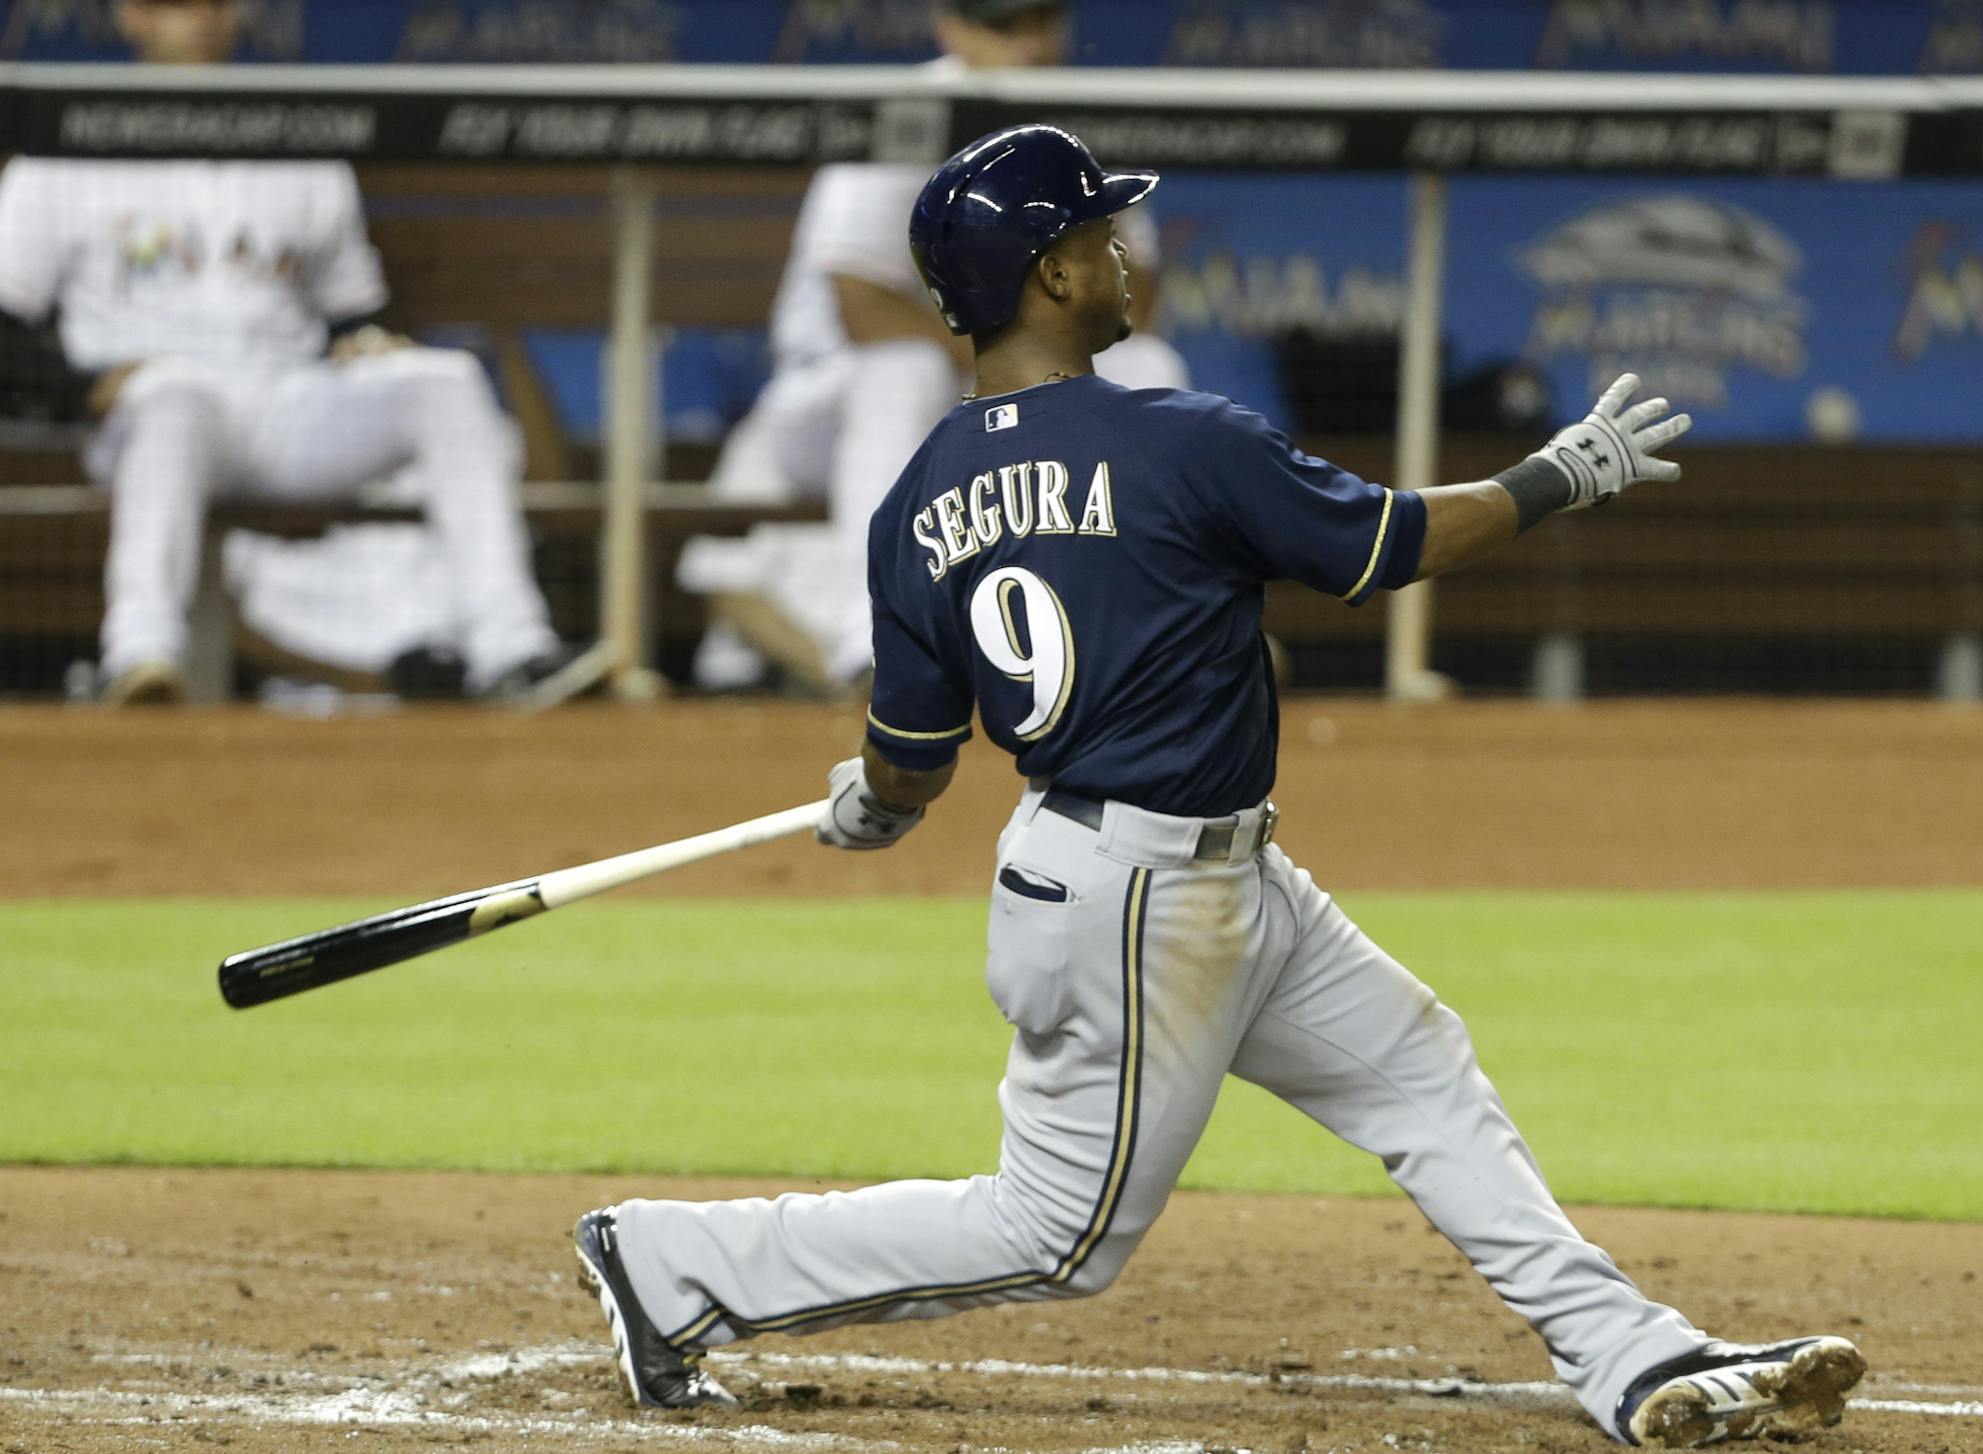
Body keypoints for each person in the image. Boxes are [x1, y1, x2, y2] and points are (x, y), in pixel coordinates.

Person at [572, 126, 1868, 1450]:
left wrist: (875, 799)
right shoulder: (1179, 437)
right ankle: (673, 1264)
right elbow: (1382, 545)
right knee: (1057, 1234)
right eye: (1097, 234)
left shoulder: (917, 499)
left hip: (1193, 876)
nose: (1126, 254)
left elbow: (913, 758)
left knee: (1419, 1069)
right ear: (1050, 276)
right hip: (1136, 901)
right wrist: (1557, 476)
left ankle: (1636, 1359)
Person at [0, 0, 562, 704]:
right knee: (174, 401)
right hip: (151, 409)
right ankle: (140, 653)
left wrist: (362, 341)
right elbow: (5, 324)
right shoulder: (66, 135)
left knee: (444, 383)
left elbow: (353, 309)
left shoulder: (296, 128)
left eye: (213, 3)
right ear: (130, 17)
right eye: (174, 4)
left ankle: (514, 649)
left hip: (288, 401)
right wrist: (80, 388)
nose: (198, 18)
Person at [682, 0, 1187, 697]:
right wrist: (1019, 354)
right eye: (1004, 26)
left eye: (1042, 21)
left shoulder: (1084, 122)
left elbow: (1136, 306)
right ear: (950, 26)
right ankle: (877, 647)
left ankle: (1168, 635)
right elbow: (861, 306)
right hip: (832, 410)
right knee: (901, 371)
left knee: (1150, 368)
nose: (1030, 45)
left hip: (1005, 393)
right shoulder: (909, 111)